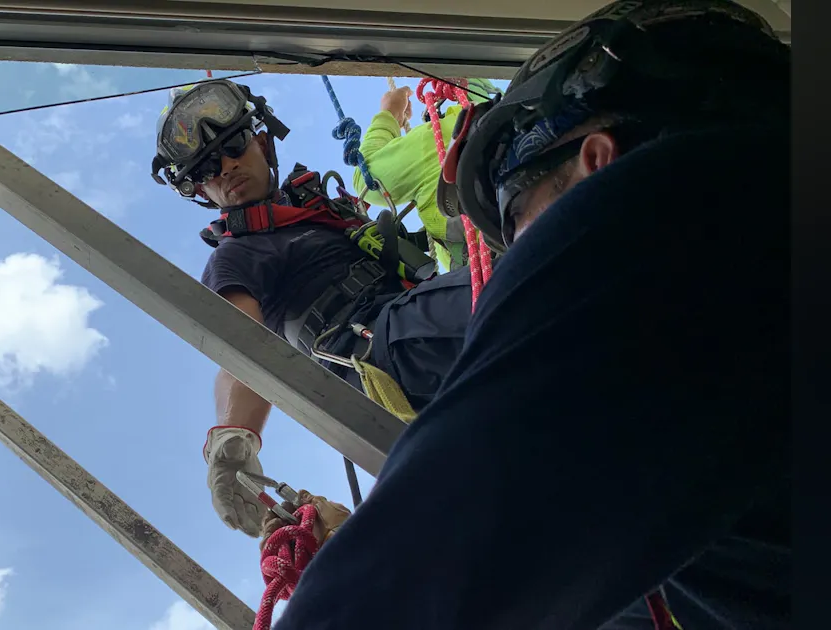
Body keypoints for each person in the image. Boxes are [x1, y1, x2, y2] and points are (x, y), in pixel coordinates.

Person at [271, 1, 791, 629]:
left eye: (514, 220)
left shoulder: (650, 231)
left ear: (598, 165)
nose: (511, 253)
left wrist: (387, 550)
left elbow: (398, 585)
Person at [151, 80, 476, 538]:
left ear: (262, 142)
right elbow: (242, 346)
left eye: (235, 145)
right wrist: (232, 436)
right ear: (202, 191)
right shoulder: (236, 254)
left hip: (418, 321)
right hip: (381, 349)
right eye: (207, 167)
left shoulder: (322, 213)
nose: (226, 167)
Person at [352, 78, 499, 270]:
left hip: (491, 278)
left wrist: (391, 113)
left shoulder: (437, 136)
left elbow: (367, 180)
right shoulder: (518, 121)